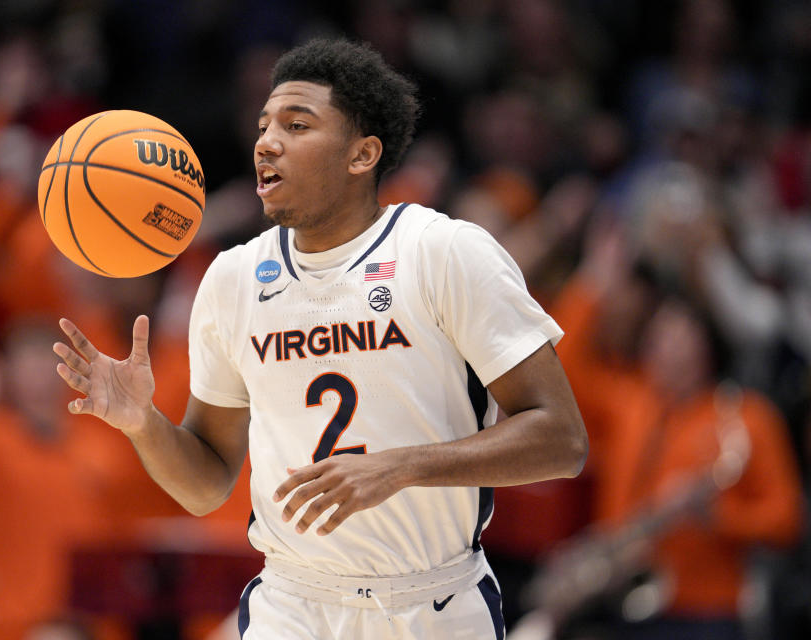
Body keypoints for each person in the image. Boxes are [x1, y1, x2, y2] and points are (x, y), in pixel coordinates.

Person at [54, 38, 588, 640]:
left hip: (432, 604)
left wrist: (401, 467)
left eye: (296, 124)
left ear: (361, 155)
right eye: (263, 126)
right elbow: (206, 485)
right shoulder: (232, 279)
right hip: (294, 605)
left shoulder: (443, 252)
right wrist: (142, 422)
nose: (266, 142)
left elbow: (561, 439)